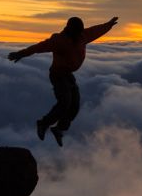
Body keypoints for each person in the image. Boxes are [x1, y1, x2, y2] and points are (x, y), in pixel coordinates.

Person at [7, 16, 119, 146]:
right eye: (77, 31)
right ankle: (43, 124)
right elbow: (39, 47)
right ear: (70, 29)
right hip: (58, 75)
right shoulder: (59, 40)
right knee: (65, 102)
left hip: (68, 75)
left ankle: (59, 129)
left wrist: (108, 25)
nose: (79, 33)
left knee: (74, 105)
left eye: (80, 31)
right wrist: (21, 53)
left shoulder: (82, 36)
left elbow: (96, 31)